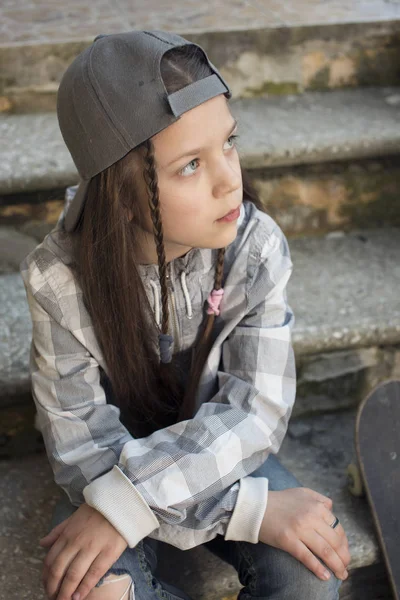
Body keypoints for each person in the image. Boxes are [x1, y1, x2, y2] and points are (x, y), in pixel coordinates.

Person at [20, 30, 350, 600]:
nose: (230, 180)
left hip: (220, 450)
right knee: (93, 592)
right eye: (191, 165)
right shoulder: (59, 279)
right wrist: (248, 512)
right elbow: (80, 447)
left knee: (310, 577)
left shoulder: (255, 248)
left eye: (229, 143)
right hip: (108, 467)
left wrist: (134, 503)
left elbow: (256, 411)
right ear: (122, 195)